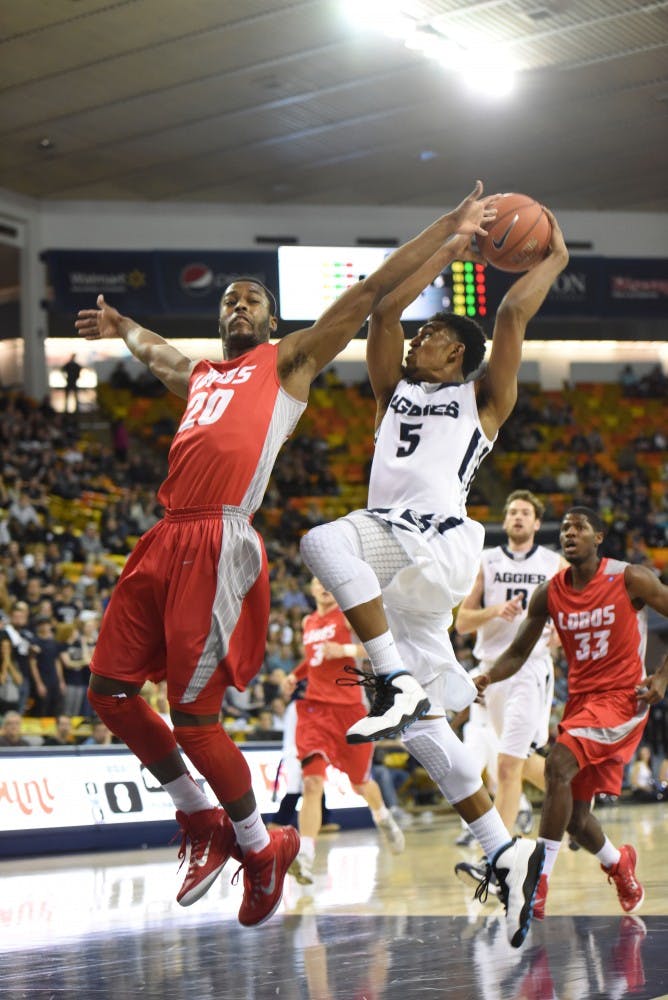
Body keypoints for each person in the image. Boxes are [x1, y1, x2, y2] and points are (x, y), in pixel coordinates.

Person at [74, 180, 498, 928]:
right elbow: (161, 356)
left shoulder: (289, 361)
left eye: (249, 300)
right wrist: (122, 324)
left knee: (193, 715)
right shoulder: (205, 376)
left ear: (273, 320)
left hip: (218, 538)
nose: (235, 307)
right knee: (107, 691)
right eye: (226, 302)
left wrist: (449, 228)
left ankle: (256, 842)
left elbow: (371, 293)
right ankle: (200, 817)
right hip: (162, 535)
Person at [299, 208, 570, 947]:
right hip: (400, 574)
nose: (421, 338)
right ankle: (502, 852)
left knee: (323, 541)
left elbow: (512, 310)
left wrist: (553, 256)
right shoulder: (392, 391)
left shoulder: (483, 400)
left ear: (462, 356)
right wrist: (448, 244)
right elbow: (384, 309)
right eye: (422, 334)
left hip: (439, 543)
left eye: (436, 335)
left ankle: (391, 680)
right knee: (422, 734)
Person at [475, 506, 668, 920]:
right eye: (564, 529)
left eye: (579, 528)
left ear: (598, 537)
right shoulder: (550, 593)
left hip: (621, 700)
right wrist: (487, 678)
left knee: (557, 765)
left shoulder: (628, 577)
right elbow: (517, 652)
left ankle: (537, 880)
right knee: (577, 818)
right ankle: (619, 864)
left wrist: (663, 676)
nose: (569, 533)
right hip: (581, 703)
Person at [454, 490, 566, 848]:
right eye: (513, 511)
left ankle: (498, 854)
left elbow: (573, 612)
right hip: (492, 671)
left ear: (536, 523)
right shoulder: (486, 562)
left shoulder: (554, 564)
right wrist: (494, 611)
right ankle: (574, 803)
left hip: (530, 669)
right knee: (517, 758)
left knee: (506, 764)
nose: (518, 517)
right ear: (505, 522)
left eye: (525, 512)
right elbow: (462, 624)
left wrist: (561, 636)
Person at [282, 578, 405, 886]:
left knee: (361, 783)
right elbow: (313, 660)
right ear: (310, 589)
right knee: (312, 782)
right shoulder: (308, 621)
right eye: (316, 583)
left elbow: (379, 648)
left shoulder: (349, 615)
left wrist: (345, 649)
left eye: (327, 583)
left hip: (350, 711)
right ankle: (306, 857)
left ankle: (383, 817)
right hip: (315, 711)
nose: (323, 587)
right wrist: (294, 676)